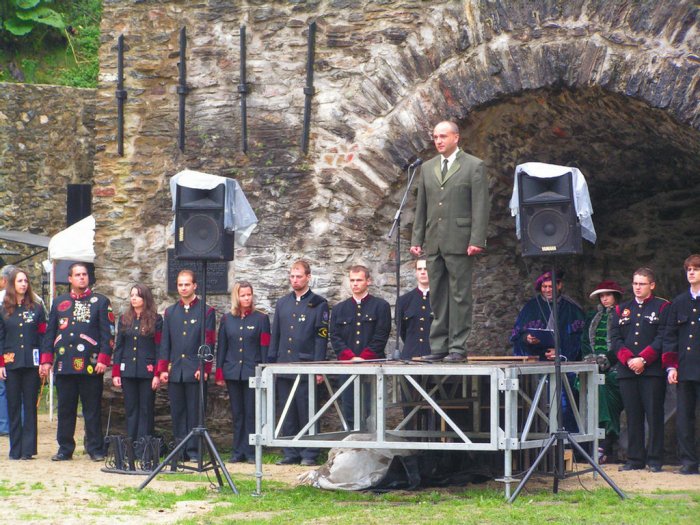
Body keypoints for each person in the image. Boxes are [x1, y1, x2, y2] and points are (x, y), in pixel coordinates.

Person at [410, 120, 490, 363]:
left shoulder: (474, 166)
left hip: (460, 239)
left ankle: (457, 346)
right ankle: (439, 346)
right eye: (435, 137)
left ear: (456, 137)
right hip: (434, 239)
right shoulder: (427, 168)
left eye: (443, 136)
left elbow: (480, 205)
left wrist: (477, 239)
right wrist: (417, 238)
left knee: (459, 295)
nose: (438, 141)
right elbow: (421, 206)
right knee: (437, 294)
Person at [40, 262, 115, 461]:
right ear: (70, 279)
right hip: (64, 364)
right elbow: (50, 333)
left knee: (92, 409)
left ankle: (95, 449)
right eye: (78, 275)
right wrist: (46, 360)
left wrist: (103, 359)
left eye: (84, 274)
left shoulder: (100, 301)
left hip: (91, 364)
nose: (82, 277)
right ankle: (65, 448)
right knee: (65, 409)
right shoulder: (59, 302)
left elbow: (108, 333)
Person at [268, 260, 329, 466]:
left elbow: (321, 337)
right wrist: (273, 363)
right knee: (287, 410)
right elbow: (276, 334)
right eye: (292, 276)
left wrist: (318, 367)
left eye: (299, 276)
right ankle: (290, 451)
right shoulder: (283, 303)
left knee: (307, 409)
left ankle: (309, 452)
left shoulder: (319, 304)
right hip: (284, 363)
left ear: (308, 277)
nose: (295, 280)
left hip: (306, 364)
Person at [610, 267, 669, 473]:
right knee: (633, 415)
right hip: (627, 371)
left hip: (652, 371)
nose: (637, 287)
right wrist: (629, 359)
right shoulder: (622, 309)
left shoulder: (662, 307)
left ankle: (655, 459)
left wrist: (643, 359)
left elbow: (663, 337)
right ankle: (635, 459)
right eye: (635, 283)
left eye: (642, 284)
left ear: (652, 285)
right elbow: (615, 338)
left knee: (654, 415)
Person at [511, 271, 585, 431]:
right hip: (537, 363)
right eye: (544, 286)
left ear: (559, 285)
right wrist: (527, 339)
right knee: (535, 404)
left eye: (551, 286)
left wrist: (561, 352)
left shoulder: (572, 308)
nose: (547, 290)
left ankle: (569, 440)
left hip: (565, 366)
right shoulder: (530, 307)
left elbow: (579, 339)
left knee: (566, 404)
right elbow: (518, 335)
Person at [157, 269, 216, 462]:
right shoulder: (170, 312)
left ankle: (194, 451)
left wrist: (203, 367)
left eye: (187, 284)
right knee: (177, 412)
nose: (183, 288)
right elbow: (165, 343)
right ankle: (180, 450)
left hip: (195, 370)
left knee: (195, 413)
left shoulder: (206, 311)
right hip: (176, 370)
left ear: (194, 286)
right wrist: (163, 369)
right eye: (180, 285)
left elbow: (209, 342)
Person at [215, 281, 270, 463]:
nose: (247, 298)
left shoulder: (261, 319)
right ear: (236, 297)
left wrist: (264, 371)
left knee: (252, 412)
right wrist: (220, 371)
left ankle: (251, 451)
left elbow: (264, 347)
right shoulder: (227, 319)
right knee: (237, 413)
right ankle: (237, 451)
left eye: (249, 295)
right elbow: (222, 347)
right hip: (233, 372)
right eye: (243, 295)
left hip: (252, 371)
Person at [330, 265, 391, 426]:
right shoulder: (339, 309)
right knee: (349, 407)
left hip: (372, 364)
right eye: (352, 280)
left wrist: (364, 358)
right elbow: (335, 336)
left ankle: (373, 441)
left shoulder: (380, 306)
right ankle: (353, 438)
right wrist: (350, 357)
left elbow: (381, 335)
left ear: (368, 281)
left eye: (359, 280)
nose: (355, 284)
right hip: (347, 366)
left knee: (372, 407)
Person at [0, 268, 46, 459]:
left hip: (31, 363)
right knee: (13, 405)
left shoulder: (36, 308)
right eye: (19, 281)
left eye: (26, 281)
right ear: (12, 284)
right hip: (11, 363)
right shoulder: (4, 309)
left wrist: (44, 361)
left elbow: (43, 335)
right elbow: (1, 337)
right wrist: (1, 364)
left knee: (30, 406)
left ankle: (28, 449)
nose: (23, 284)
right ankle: (15, 449)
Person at [111, 284, 162, 453]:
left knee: (146, 410)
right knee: (131, 409)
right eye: (132, 295)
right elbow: (119, 347)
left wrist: (157, 373)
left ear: (145, 298)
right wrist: (116, 372)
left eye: (137, 295)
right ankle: (131, 448)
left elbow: (159, 347)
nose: (133, 298)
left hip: (147, 371)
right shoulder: (125, 319)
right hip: (128, 371)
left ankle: (144, 449)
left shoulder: (156, 319)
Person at [663, 254, 700, 475]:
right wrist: (671, 366)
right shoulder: (679, 302)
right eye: (689, 269)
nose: (691, 273)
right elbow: (670, 337)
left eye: (696, 269)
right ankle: (689, 461)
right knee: (684, 418)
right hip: (685, 369)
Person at [581, 280, 625, 463]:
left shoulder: (623, 314)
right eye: (602, 296)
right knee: (588, 398)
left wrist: (606, 360)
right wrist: (590, 359)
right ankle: (594, 444)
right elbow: (584, 341)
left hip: (615, 369)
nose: (605, 299)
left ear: (615, 296)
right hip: (592, 368)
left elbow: (621, 342)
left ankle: (606, 443)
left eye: (608, 295)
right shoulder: (592, 317)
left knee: (608, 399)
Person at [397, 259, 432, 360]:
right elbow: (402, 330)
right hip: (410, 355)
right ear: (416, 272)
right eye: (419, 269)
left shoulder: (442, 299)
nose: (423, 272)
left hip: (434, 356)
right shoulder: (404, 300)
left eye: (426, 269)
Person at [0, 264, 15, 436]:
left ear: (4, 280)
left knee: (2, 389)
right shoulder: (33, 299)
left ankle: (4, 425)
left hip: (4, 345)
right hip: (19, 349)